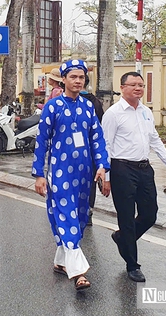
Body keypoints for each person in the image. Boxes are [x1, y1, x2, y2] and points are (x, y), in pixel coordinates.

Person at [32, 59, 110, 291]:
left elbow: (97, 138)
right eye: (73, 77)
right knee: (66, 215)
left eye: (81, 77)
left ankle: (61, 260)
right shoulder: (53, 107)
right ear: (64, 79)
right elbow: (42, 141)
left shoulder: (87, 107)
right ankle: (78, 273)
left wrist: (102, 165)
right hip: (60, 171)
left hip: (85, 172)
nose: (78, 81)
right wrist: (39, 174)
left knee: (79, 216)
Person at [102, 71, 166, 283]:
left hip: (144, 169)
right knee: (127, 218)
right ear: (123, 88)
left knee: (150, 214)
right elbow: (106, 146)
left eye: (141, 85)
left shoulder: (146, 112)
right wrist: (107, 177)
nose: (138, 88)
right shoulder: (113, 113)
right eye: (134, 85)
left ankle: (122, 238)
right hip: (122, 169)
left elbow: (155, 140)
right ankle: (132, 265)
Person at [79, 75, 105, 227]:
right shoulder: (96, 102)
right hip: (91, 149)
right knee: (90, 183)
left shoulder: (69, 101)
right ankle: (88, 211)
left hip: (74, 150)